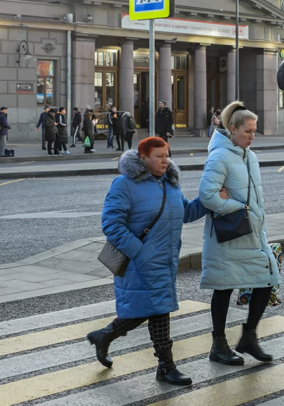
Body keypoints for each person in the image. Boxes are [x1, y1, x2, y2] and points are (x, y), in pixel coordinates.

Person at [86, 137, 225, 386]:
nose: (165, 160)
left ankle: (104, 336)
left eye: (167, 155)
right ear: (143, 158)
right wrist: (141, 253)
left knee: (153, 308)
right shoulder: (124, 184)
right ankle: (166, 366)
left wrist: (209, 200)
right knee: (158, 310)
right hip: (139, 263)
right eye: (158, 156)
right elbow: (111, 224)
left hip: (165, 261)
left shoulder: (170, 183)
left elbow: (185, 212)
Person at [198, 101, 281, 366]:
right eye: (248, 131)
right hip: (229, 234)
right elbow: (207, 195)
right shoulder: (220, 156)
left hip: (252, 233)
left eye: (254, 131)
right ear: (233, 129)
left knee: (267, 279)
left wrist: (255, 219)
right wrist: (236, 208)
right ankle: (218, 345)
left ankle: (249, 337)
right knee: (224, 287)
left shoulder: (250, 156)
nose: (252, 136)